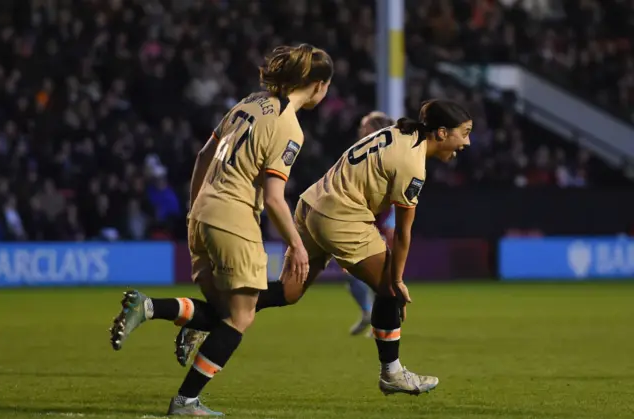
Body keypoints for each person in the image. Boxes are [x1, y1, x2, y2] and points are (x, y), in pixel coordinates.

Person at [174, 99, 472, 397]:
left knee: (289, 292)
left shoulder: (400, 133)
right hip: (341, 217)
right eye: (465, 133)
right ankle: (392, 373)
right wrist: (396, 280)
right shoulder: (413, 164)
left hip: (312, 205)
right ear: (442, 133)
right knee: (390, 292)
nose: (467, 142)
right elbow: (404, 233)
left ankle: (211, 314)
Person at [108, 44, 333, 417]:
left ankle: (148, 307)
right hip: (234, 216)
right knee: (240, 318)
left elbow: (202, 157)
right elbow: (276, 199)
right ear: (319, 86)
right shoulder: (290, 128)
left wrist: (196, 208)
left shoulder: (248, 103)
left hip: (202, 214)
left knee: (223, 311)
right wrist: (298, 245)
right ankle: (186, 401)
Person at [347, 112, 395, 336]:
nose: (361, 130)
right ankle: (369, 314)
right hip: (360, 219)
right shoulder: (359, 154)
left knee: (378, 275)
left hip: (383, 221)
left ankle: (381, 322)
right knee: (352, 274)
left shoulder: (388, 155)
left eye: (365, 126)